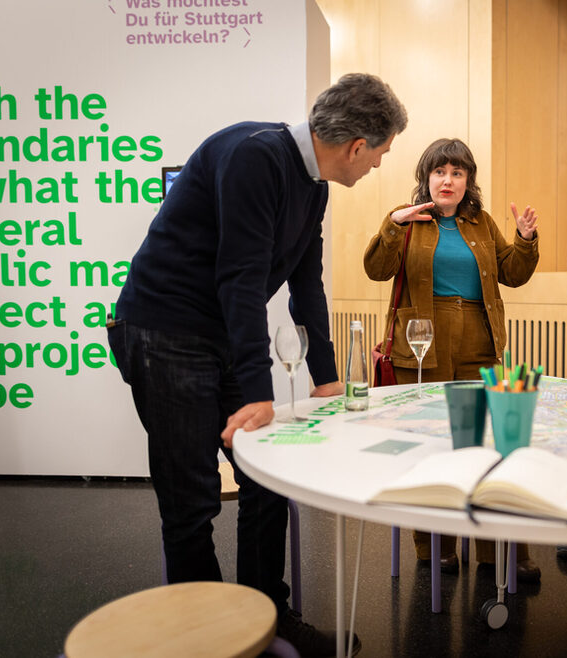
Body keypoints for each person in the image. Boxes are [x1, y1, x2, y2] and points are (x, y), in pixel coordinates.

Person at [108, 73, 407, 657]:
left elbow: (306, 285)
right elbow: (240, 283)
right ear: (356, 147)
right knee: (191, 499)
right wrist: (254, 391)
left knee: (266, 479)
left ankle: (265, 620)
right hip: (164, 332)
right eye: (381, 154)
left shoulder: (313, 185)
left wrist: (325, 375)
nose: (377, 166)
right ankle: (210, 638)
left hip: (215, 334)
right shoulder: (254, 158)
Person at [363, 138, 542, 582]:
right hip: (421, 344)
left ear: (468, 181)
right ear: (426, 177)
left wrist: (524, 238)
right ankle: (434, 545)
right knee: (430, 446)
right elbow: (375, 269)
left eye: (457, 173)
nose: (448, 180)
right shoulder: (408, 220)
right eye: (440, 172)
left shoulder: (480, 222)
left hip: (479, 342)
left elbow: (513, 274)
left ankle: (496, 547)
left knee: (488, 446)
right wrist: (391, 224)